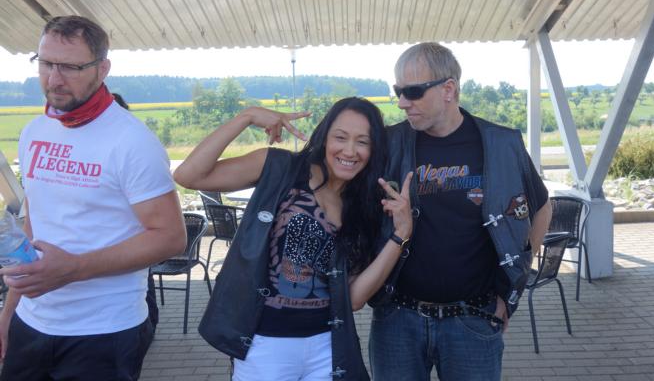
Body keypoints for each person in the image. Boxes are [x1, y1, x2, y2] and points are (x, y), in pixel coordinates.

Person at [0, 16, 187, 381]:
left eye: (70, 67)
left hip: (105, 332)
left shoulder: (132, 141)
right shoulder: (34, 131)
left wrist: (74, 268)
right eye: (46, 63)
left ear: (102, 69)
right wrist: (8, 312)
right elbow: (35, 222)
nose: (54, 79)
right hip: (31, 322)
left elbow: (170, 237)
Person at [173, 97, 413, 381]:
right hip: (264, 347)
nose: (350, 150)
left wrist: (400, 235)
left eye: (363, 142)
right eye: (340, 137)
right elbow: (188, 176)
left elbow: (354, 299)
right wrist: (246, 117)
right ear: (324, 137)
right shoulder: (280, 167)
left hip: (327, 348)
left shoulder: (363, 206)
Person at [369, 42, 552, 381]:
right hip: (397, 320)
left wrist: (511, 286)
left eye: (413, 92)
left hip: (474, 320)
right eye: (398, 91)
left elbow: (541, 208)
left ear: (449, 89)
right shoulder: (389, 143)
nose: (402, 102)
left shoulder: (501, 143)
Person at [111, 92, 160, 337]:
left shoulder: (136, 147)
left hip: (135, 246)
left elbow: (165, 230)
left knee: (142, 284)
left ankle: (149, 326)